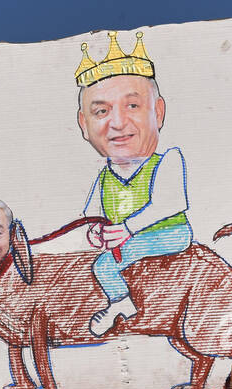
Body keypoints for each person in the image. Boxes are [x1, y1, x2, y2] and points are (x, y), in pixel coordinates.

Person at [75, 32, 192, 335]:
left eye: (132, 106)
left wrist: (125, 230)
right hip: (127, 242)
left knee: (103, 267)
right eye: (101, 111)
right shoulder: (103, 178)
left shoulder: (168, 160)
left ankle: (121, 302)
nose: (117, 123)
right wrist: (97, 233)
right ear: (84, 125)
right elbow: (90, 218)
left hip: (170, 234)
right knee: (100, 260)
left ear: (159, 112)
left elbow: (171, 203)